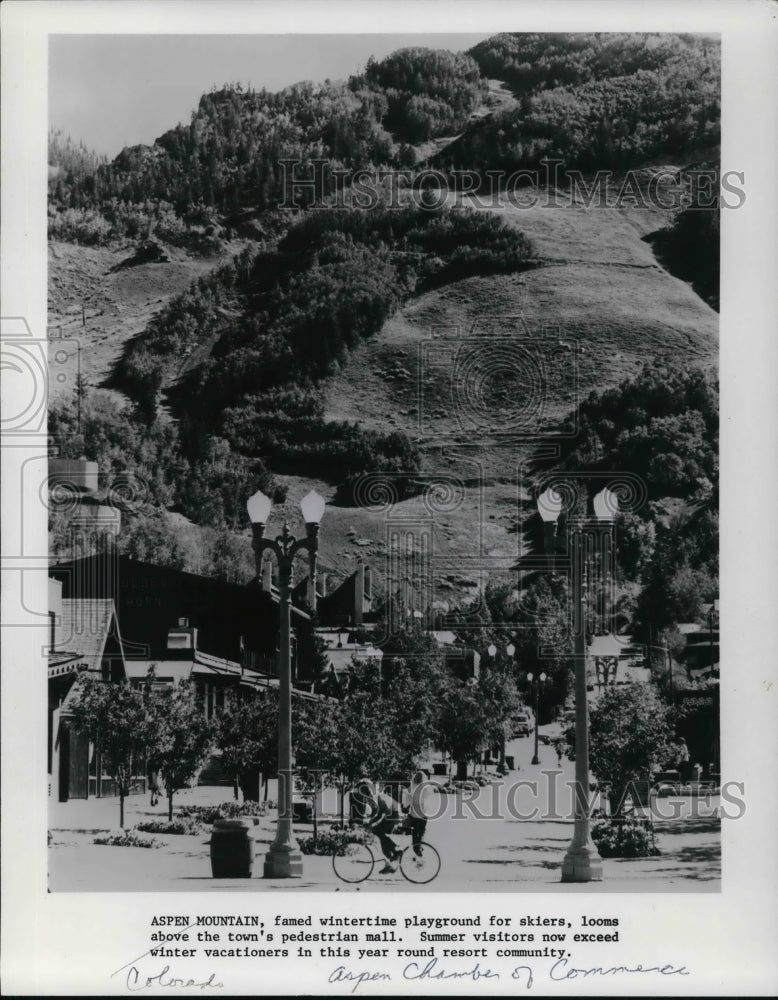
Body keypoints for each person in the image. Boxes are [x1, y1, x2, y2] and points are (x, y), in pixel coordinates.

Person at [355, 779, 404, 873]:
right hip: (390, 813)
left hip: (393, 814)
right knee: (382, 840)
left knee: (380, 832)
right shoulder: (370, 798)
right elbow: (375, 814)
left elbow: (382, 813)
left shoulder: (373, 797)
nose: (359, 794)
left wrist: (372, 823)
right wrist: (369, 822)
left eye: (359, 791)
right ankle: (390, 864)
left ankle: (397, 852)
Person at [408, 770, 436, 857]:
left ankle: (418, 850)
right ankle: (419, 849)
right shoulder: (426, 788)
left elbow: (409, 800)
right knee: (421, 833)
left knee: (415, 835)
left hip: (413, 815)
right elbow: (428, 800)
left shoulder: (413, 787)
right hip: (422, 814)